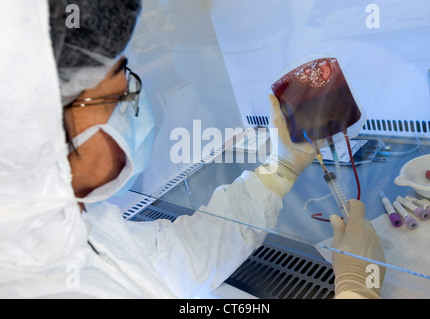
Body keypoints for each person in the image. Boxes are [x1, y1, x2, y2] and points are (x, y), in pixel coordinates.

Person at [0, 0, 385, 299]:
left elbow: (182, 254)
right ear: (36, 131)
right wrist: (357, 288)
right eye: (119, 92)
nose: (133, 103)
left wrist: (279, 171)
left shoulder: (68, 239)